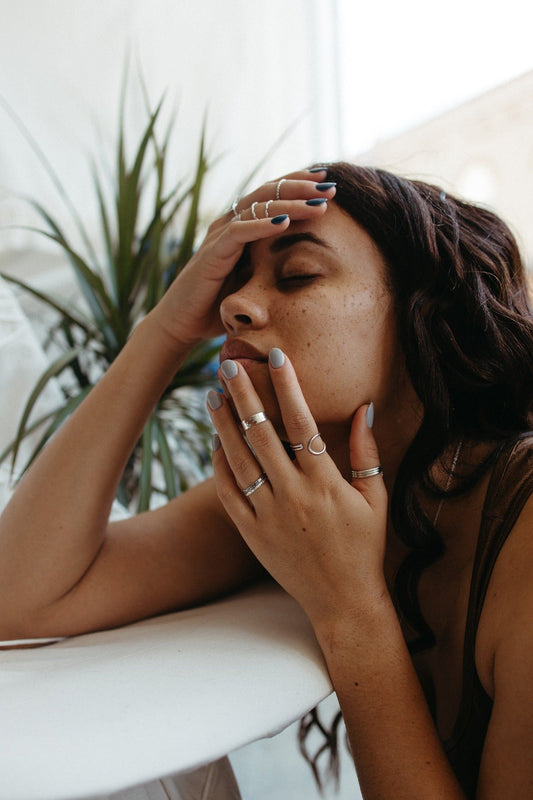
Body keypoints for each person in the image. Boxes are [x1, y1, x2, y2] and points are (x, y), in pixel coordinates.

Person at [0, 162, 532, 799]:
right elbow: (21, 597)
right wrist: (165, 329)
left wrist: (351, 612)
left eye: (298, 274)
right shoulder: (302, 503)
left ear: (428, 314)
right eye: (234, 280)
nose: (232, 305)